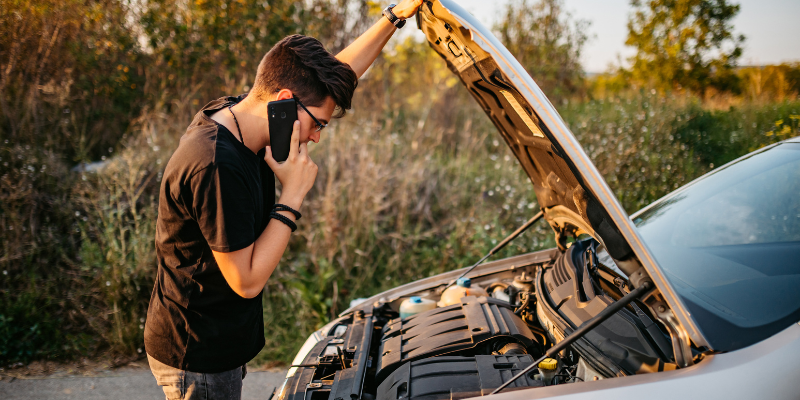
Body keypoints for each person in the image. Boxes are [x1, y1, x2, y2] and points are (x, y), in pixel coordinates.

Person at [143, 2, 423, 399]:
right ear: (285, 100)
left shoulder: (246, 114)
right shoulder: (214, 165)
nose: (315, 138)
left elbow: (335, 79)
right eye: (317, 125)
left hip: (220, 335)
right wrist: (293, 194)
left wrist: (394, 17)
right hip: (199, 353)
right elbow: (247, 281)